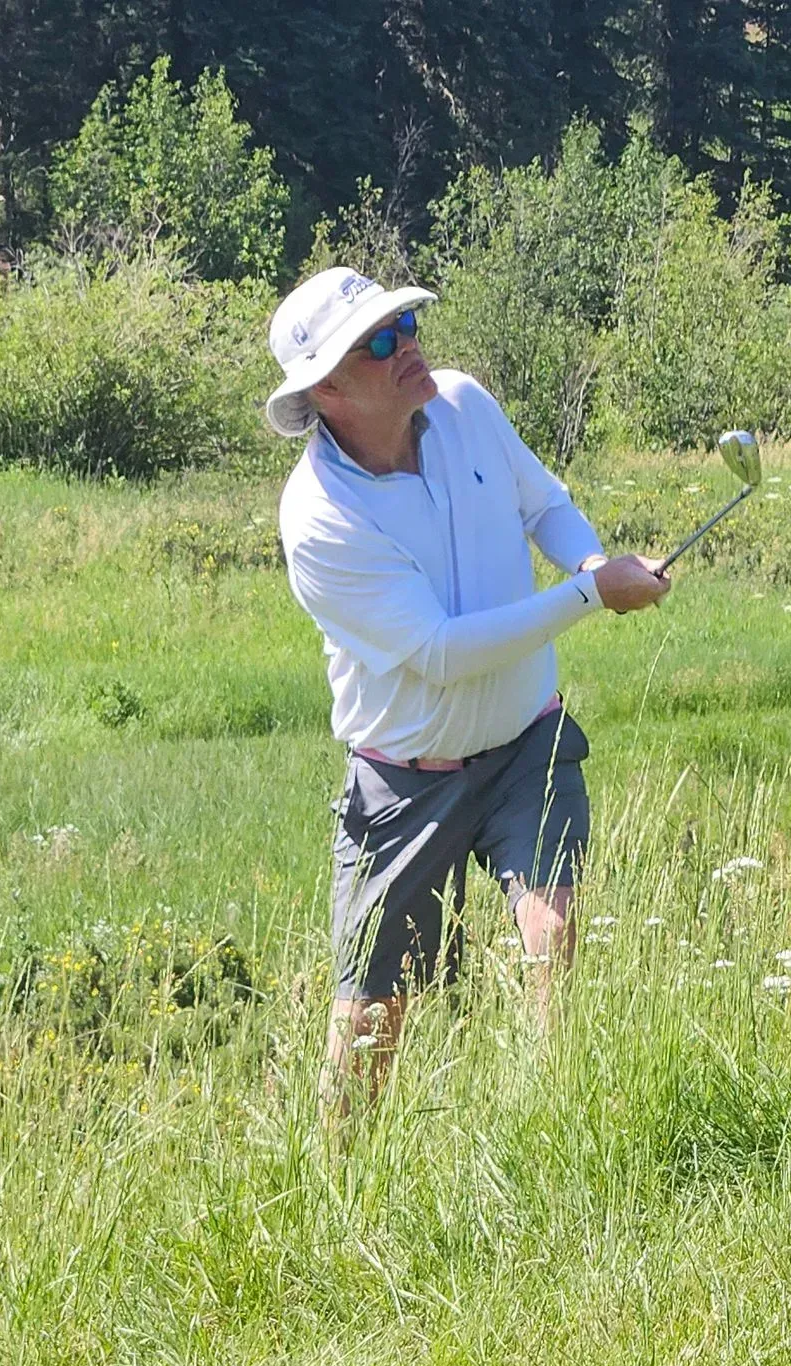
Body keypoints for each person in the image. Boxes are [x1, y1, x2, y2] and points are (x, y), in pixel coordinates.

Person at [268, 268, 671, 1098]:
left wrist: (591, 561)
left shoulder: (464, 404)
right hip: (405, 781)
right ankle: (340, 1172)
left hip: (527, 742)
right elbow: (441, 652)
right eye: (380, 341)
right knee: (371, 1018)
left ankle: (553, 1118)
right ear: (327, 388)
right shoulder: (320, 518)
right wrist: (594, 594)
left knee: (552, 934)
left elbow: (544, 504)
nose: (408, 344)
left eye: (407, 323)